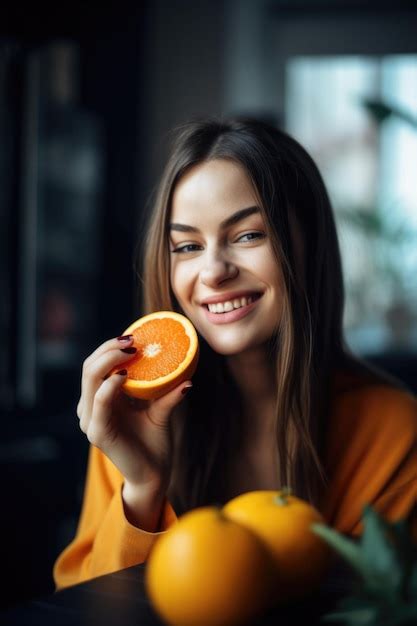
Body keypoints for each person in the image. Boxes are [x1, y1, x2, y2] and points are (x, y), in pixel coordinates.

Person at [53, 116, 417, 590]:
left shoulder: (392, 430)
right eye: (186, 245)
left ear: (308, 245)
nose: (213, 272)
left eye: (248, 235)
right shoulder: (131, 415)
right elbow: (90, 605)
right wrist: (141, 487)